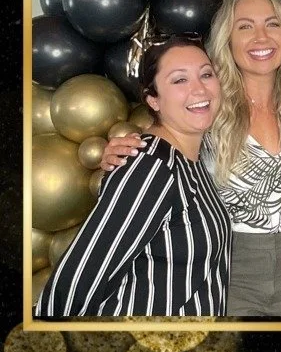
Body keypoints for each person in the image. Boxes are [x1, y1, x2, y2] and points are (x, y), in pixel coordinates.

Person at [100, 0, 281, 317]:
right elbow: (161, 148)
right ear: (227, 40)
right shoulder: (207, 105)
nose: (261, 38)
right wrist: (123, 150)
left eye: (272, 24)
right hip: (229, 265)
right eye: (245, 26)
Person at [37, 32, 231, 317]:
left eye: (206, 74)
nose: (200, 89)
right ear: (153, 100)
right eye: (179, 80)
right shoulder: (151, 167)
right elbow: (78, 279)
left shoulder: (191, 160)